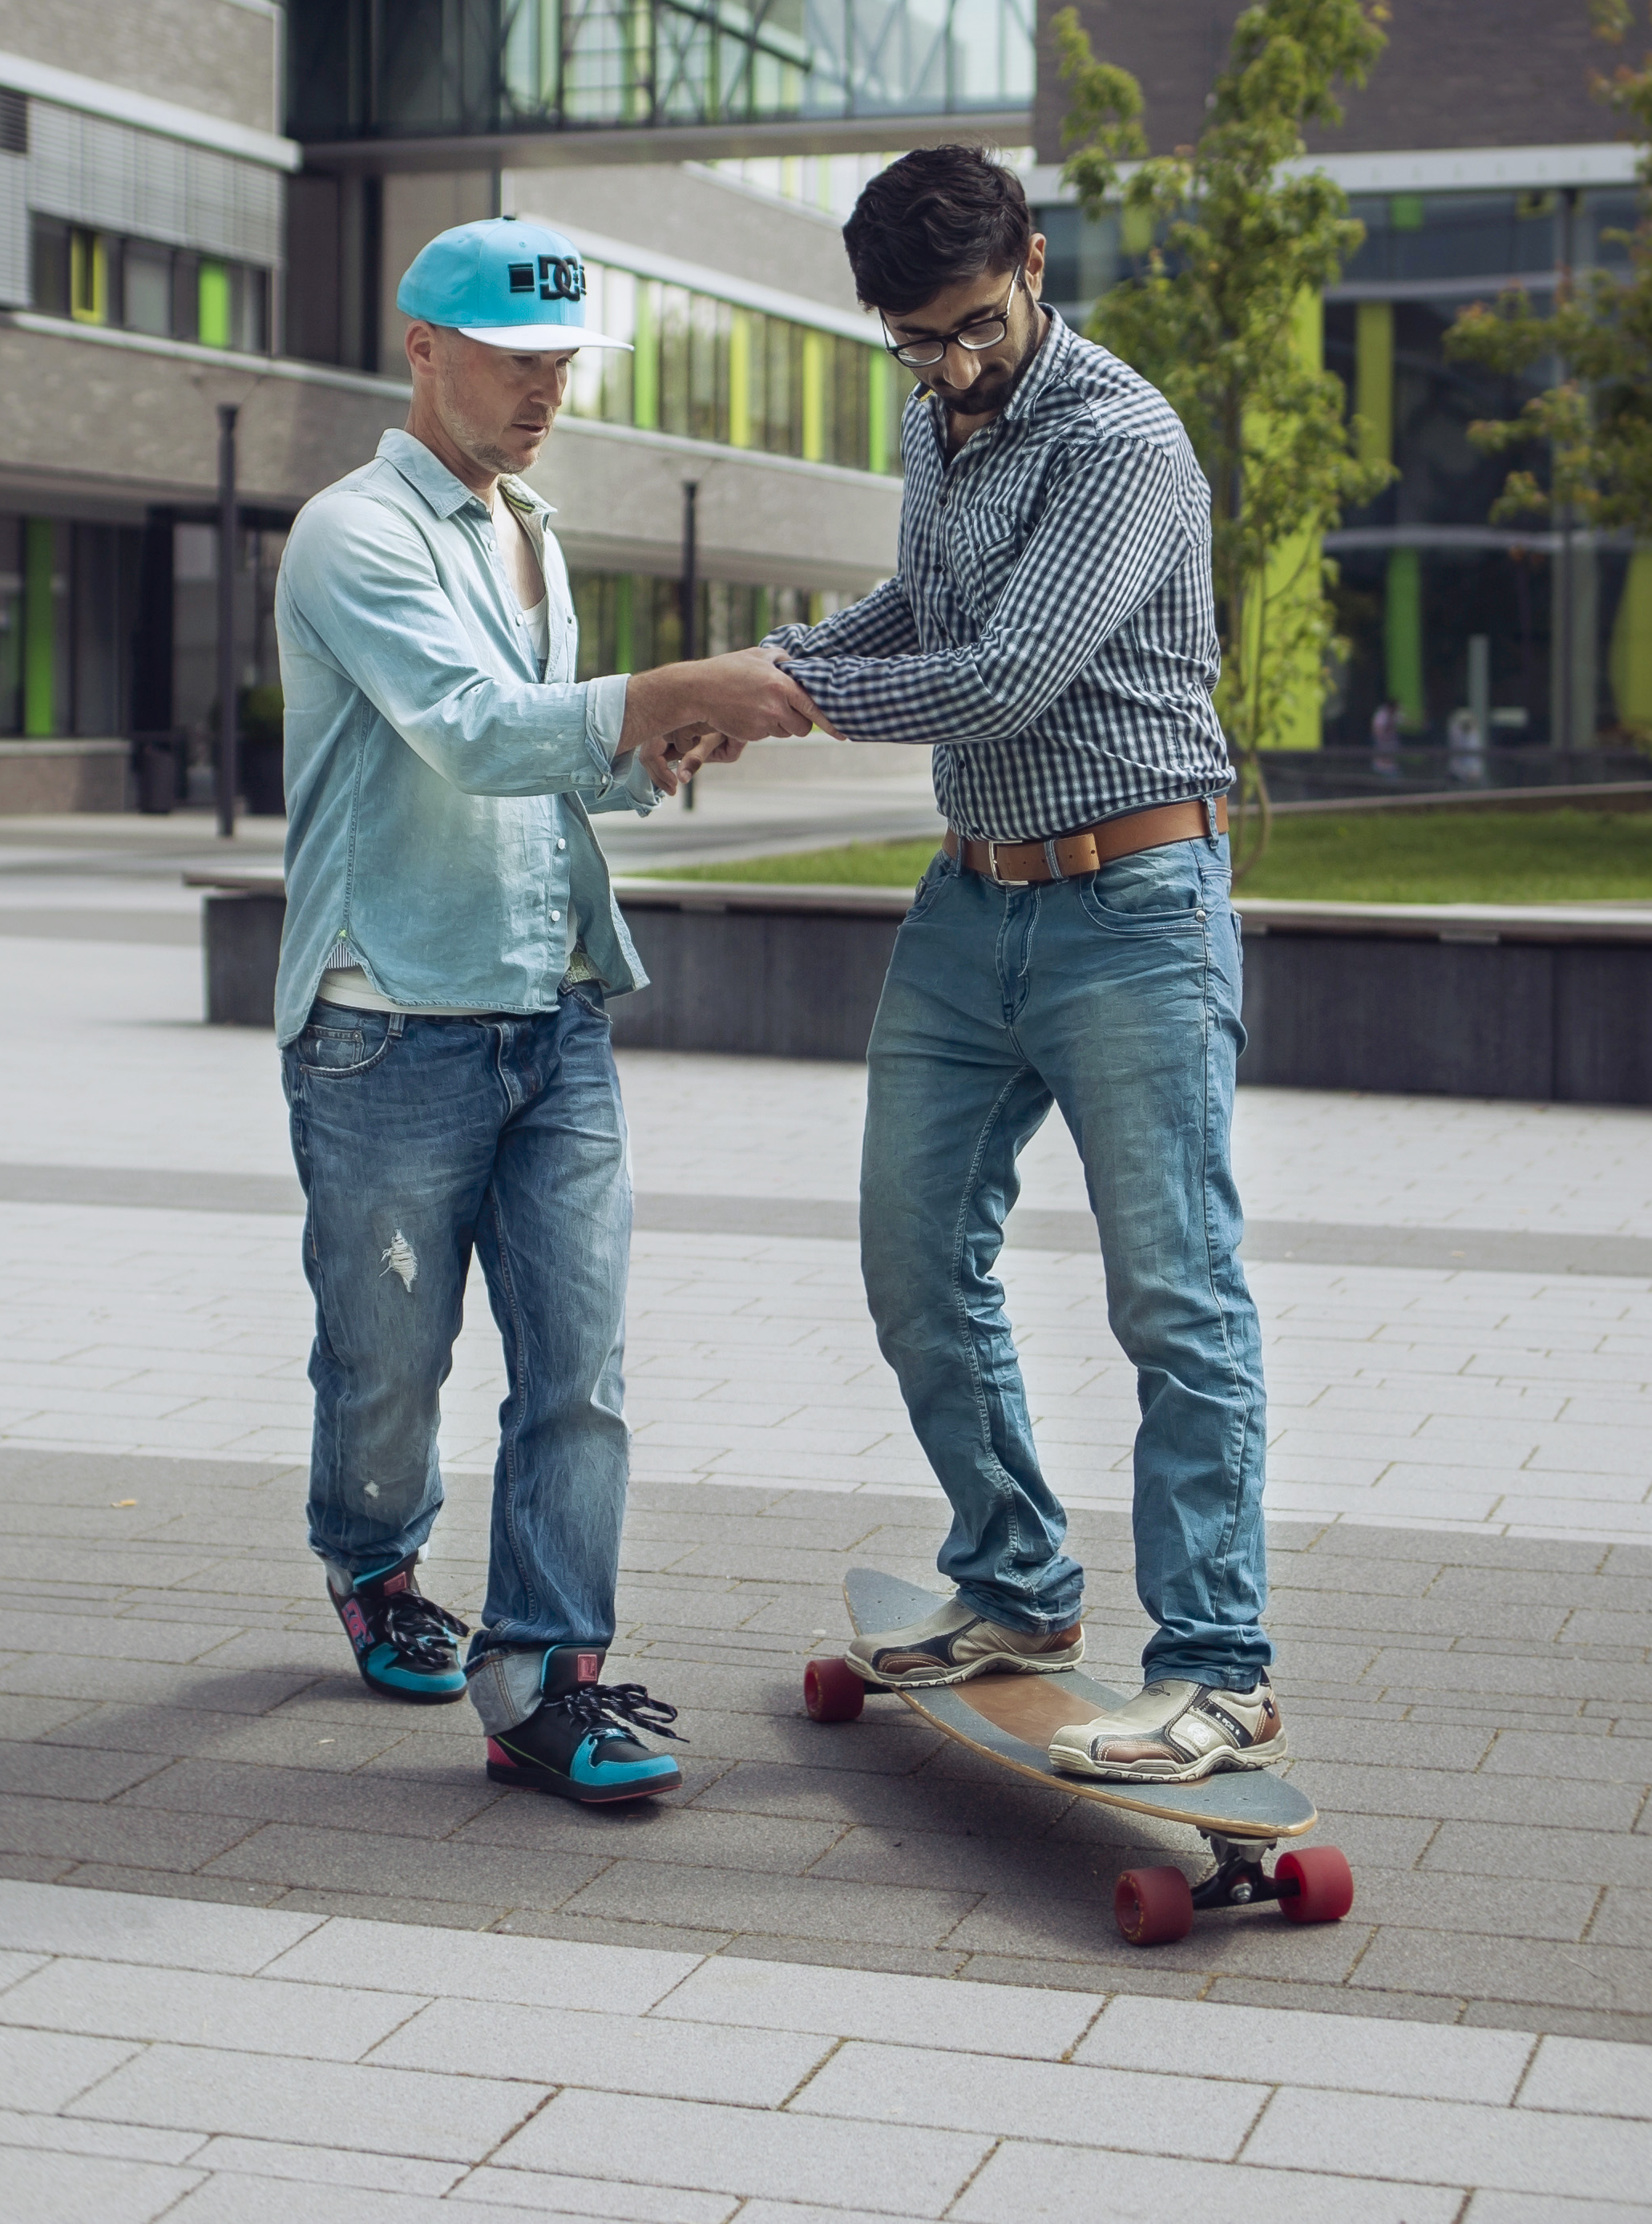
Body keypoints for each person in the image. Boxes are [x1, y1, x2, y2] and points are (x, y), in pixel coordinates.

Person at [275, 215, 823, 1809]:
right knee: (386, 1361)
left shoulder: (530, 529)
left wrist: (648, 750)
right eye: (519, 360)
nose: (546, 391)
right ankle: (374, 1563)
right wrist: (657, 695)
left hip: (550, 1010)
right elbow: (464, 731)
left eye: (564, 362)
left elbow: (546, 759)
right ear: (422, 348)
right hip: (387, 1017)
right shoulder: (351, 535)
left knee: (577, 1363)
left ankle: (542, 1679)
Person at [769, 146, 1289, 1786]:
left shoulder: (1120, 439)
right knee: (911, 1256)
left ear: (1034, 267)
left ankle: (1216, 1668)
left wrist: (779, 700)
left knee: (1171, 1293)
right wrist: (747, 670)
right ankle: (1012, 1583)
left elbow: (997, 677)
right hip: (967, 905)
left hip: (1129, 901)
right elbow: (918, 604)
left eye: (973, 329)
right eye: (914, 343)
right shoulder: (934, 420)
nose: (949, 369)